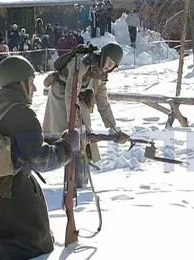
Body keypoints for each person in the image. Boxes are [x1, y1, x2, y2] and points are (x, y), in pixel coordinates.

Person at [0, 55, 72, 260]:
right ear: (20, 83)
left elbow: (21, 143)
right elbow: (40, 160)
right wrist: (67, 148)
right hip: (13, 192)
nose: (34, 87)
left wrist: (55, 140)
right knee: (37, 244)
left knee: (5, 236)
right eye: (30, 81)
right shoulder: (22, 114)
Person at [42, 43, 129, 186]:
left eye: (113, 64)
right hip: (61, 94)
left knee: (83, 138)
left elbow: (103, 103)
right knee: (69, 137)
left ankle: (80, 179)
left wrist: (114, 129)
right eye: (109, 61)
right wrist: (75, 123)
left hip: (77, 99)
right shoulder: (82, 63)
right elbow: (70, 93)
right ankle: (71, 181)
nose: (109, 66)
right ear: (103, 55)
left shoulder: (101, 75)